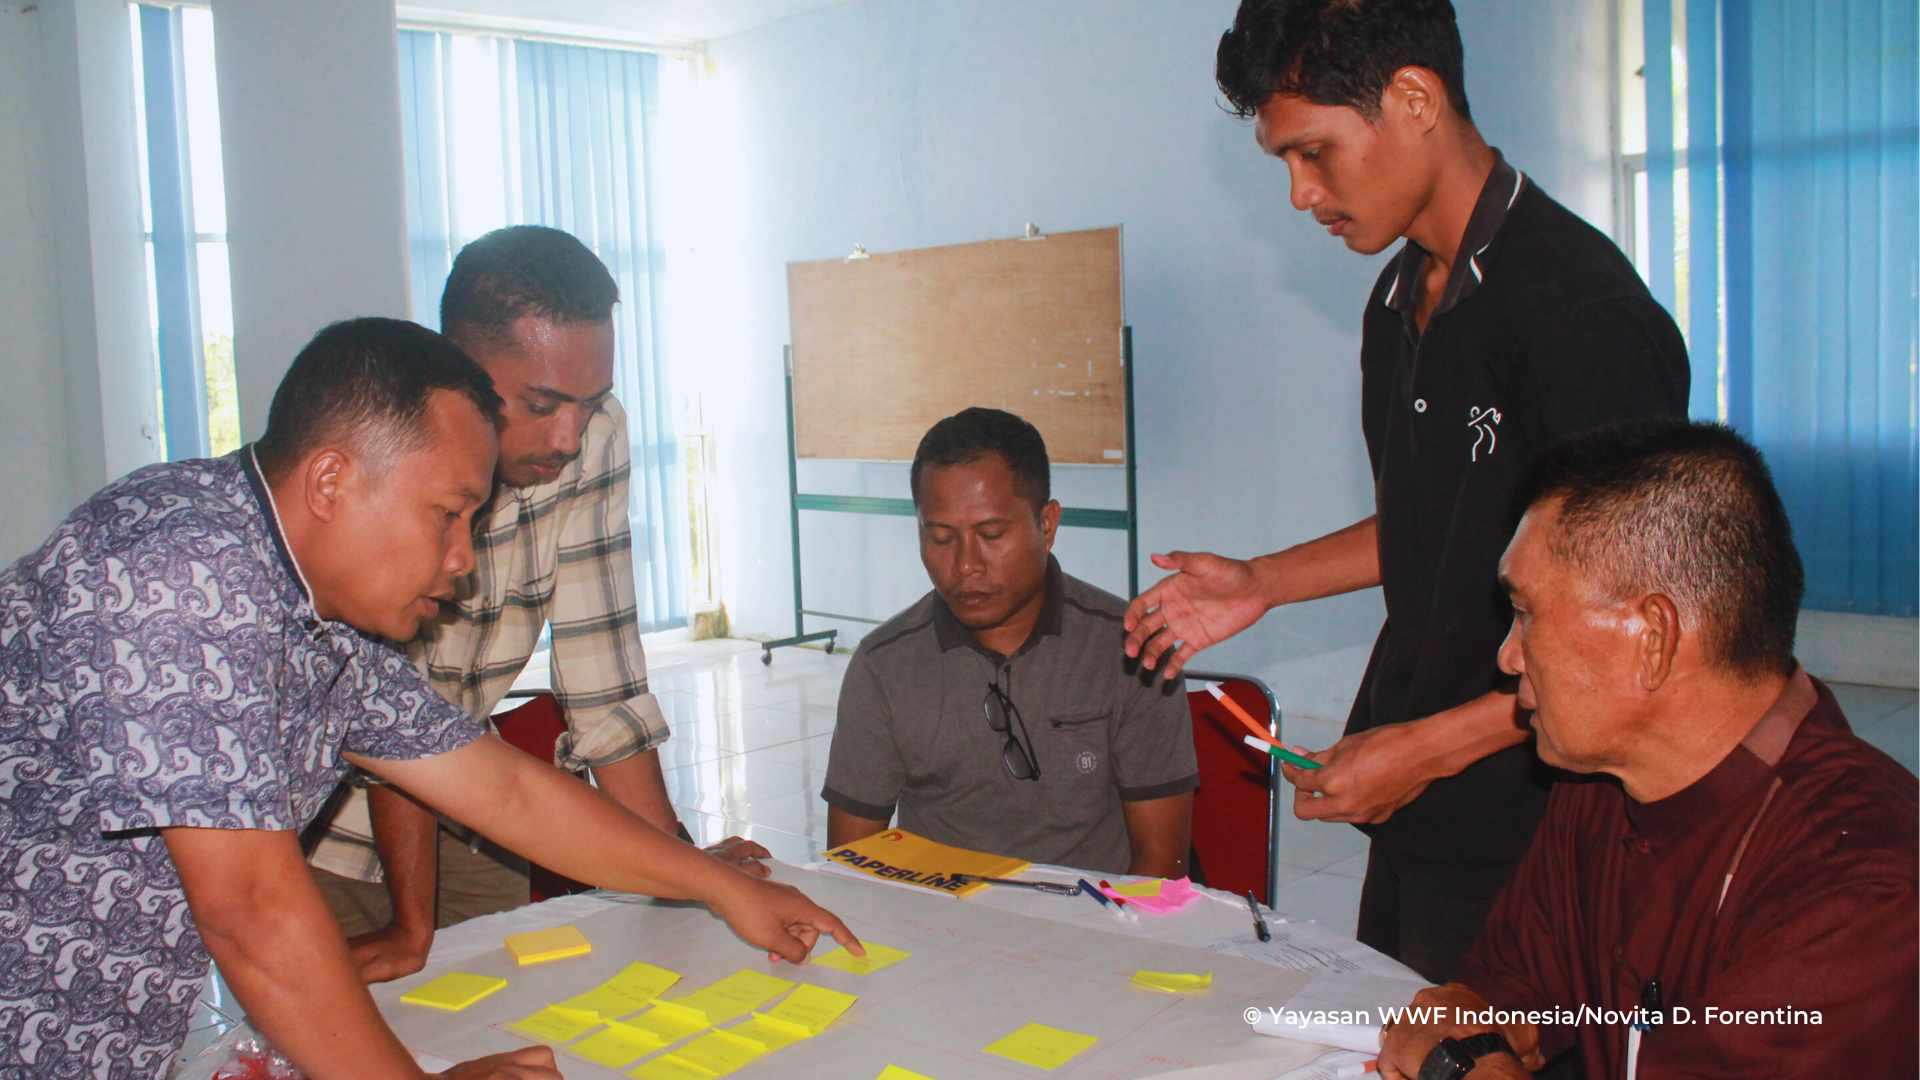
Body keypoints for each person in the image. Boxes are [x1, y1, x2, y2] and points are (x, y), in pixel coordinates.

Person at [0, 318, 858, 1080]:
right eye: (448, 514)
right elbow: (252, 913)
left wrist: (716, 885)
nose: (463, 560)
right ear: (332, 481)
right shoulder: (175, 573)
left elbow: (501, 789)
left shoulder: (318, 618)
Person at [1122, 0, 1690, 980]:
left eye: (1316, 153)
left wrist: (1429, 748)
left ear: (1415, 100)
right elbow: (1445, 520)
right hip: (1427, 782)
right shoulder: (1399, 301)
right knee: (1400, 1025)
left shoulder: (1578, 314)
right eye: (1283, 164)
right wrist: (1263, 580)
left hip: (1544, 805)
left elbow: (1640, 629)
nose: (1301, 194)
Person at [1376, 419, 1917, 1080]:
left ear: (1653, 638)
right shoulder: (1604, 786)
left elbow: (1465, 1047)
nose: (1508, 656)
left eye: (1526, 614)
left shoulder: (1863, 885)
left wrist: (1455, 1064)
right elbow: (1510, 995)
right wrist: (1471, 1019)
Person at [308, 227, 767, 984]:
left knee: (515, 1006)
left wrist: (682, 869)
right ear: (456, 371)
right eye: (541, 401)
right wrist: (412, 923)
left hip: (473, 800)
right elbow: (397, 721)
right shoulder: (390, 457)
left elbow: (605, 680)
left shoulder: (590, 435)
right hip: (334, 823)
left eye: (587, 403)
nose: (567, 435)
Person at [823, 408, 1197, 877]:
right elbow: (853, 867)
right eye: (940, 538)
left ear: (1047, 524)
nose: (965, 565)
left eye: (991, 534)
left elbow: (1160, 868)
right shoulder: (885, 666)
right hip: (941, 926)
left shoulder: (1132, 650)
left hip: (1097, 928)